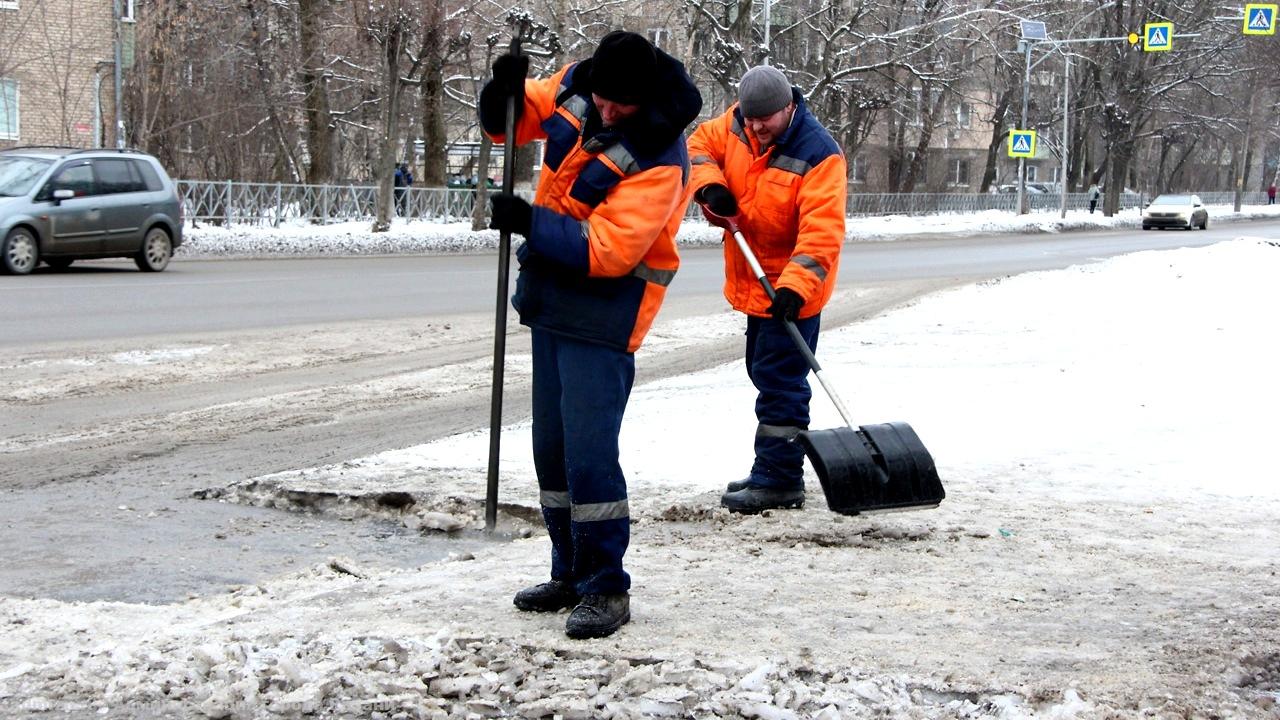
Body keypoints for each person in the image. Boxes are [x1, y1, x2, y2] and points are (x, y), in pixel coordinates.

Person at [478, 31, 701, 639]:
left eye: (618, 104)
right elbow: (517, 118)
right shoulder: (582, 82)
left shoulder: (663, 156)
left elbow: (607, 250)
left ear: (644, 94)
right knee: (551, 450)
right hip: (552, 298)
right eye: (601, 98)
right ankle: (569, 571)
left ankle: (607, 586)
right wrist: (504, 88)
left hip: (605, 312)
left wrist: (528, 221)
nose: (605, 111)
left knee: (589, 454)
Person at [687, 65, 846, 514]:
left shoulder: (819, 154)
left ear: (789, 107)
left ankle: (779, 479)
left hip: (793, 291)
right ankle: (772, 468)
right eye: (750, 118)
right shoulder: (735, 125)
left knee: (780, 382)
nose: (756, 128)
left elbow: (822, 234)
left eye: (766, 119)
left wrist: (794, 289)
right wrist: (711, 189)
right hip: (756, 281)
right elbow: (699, 146)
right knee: (763, 372)